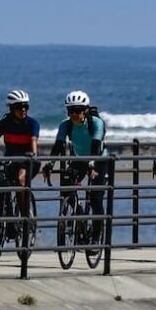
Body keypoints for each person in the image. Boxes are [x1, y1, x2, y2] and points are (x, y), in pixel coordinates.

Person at [42, 90, 108, 234]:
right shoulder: (65, 125)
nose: (73, 114)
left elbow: (96, 145)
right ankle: (80, 214)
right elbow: (58, 146)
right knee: (66, 187)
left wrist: (92, 165)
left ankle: (96, 237)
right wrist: (50, 164)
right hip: (79, 159)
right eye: (70, 110)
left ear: (86, 110)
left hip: (99, 160)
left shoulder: (96, 123)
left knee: (96, 199)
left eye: (77, 110)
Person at [0, 89, 40, 223]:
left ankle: (25, 220)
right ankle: (8, 225)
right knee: (1, 191)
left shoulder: (32, 124)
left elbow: (34, 140)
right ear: (11, 108)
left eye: (26, 106)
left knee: (20, 181)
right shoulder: (4, 123)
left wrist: (33, 154)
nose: (23, 110)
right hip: (11, 161)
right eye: (19, 107)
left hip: (28, 161)